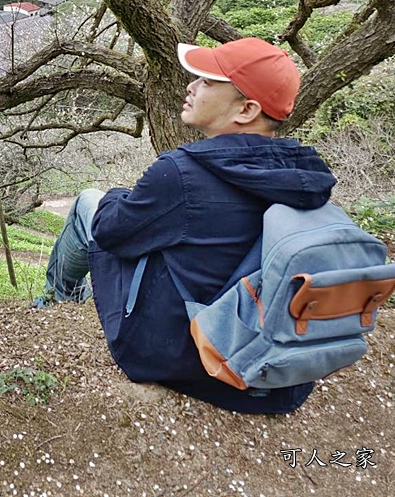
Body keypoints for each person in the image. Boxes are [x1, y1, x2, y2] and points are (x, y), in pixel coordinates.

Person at [40, 37, 336, 413]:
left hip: (186, 357)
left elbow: (111, 231)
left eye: (208, 81)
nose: (191, 86)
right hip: (275, 368)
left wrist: (117, 194)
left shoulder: (181, 174)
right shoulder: (305, 175)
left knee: (89, 202)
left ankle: (56, 297)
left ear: (246, 109)